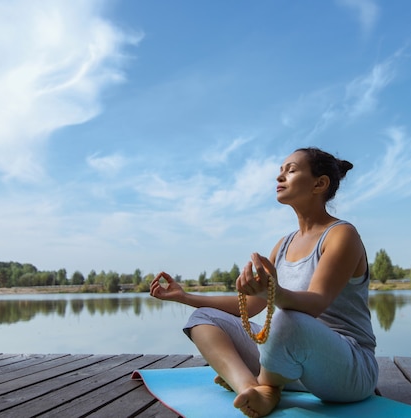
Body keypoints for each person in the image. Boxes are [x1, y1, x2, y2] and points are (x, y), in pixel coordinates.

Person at [150, 147, 378, 418]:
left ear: (320, 183)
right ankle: (251, 388)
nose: (279, 177)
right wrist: (184, 297)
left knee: (288, 319)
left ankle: (266, 385)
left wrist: (275, 292)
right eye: (280, 171)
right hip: (289, 363)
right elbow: (250, 306)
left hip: (348, 370)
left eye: (291, 170)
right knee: (204, 319)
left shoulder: (341, 235)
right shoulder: (283, 245)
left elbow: (315, 303)